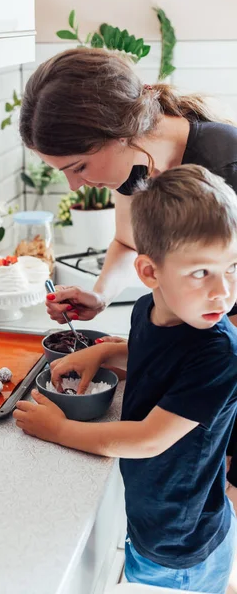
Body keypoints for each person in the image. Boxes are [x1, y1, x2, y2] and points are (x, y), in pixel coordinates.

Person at [19, 45, 237, 493]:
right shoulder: (138, 167)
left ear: (120, 132)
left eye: (78, 166)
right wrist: (100, 297)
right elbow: (126, 240)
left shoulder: (226, 166)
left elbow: (218, 329)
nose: (75, 184)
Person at [14, 165, 237, 593]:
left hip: (180, 544)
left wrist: (61, 429)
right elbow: (159, 358)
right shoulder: (149, 311)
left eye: (231, 267)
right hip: (154, 521)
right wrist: (107, 351)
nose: (222, 292)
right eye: (201, 272)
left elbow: (149, 439)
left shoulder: (219, 352)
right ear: (150, 274)